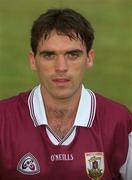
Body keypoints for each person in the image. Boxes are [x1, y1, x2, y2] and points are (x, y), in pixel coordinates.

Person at [0, 8, 132, 180]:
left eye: (72, 54)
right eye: (49, 55)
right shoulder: (3, 119)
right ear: (33, 60)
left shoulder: (119, 122)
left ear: (89, 58)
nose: (61, 67)